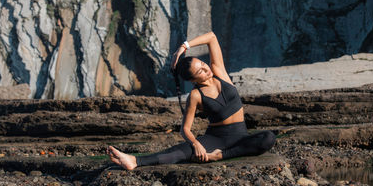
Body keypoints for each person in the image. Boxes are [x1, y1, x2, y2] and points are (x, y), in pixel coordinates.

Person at [107, 31, 276, 170]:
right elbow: (185, 129)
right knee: (180, 153)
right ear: (193, 80)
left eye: (202, 64)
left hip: (240, 135)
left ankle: (219, 156)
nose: (205, 68)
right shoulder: (196, 95)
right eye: (200, 71)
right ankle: (135, 161)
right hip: (215, 138)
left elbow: (211, 37)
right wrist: (196, 144)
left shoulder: (219, 72)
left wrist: (183, 46)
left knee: (268, 138)